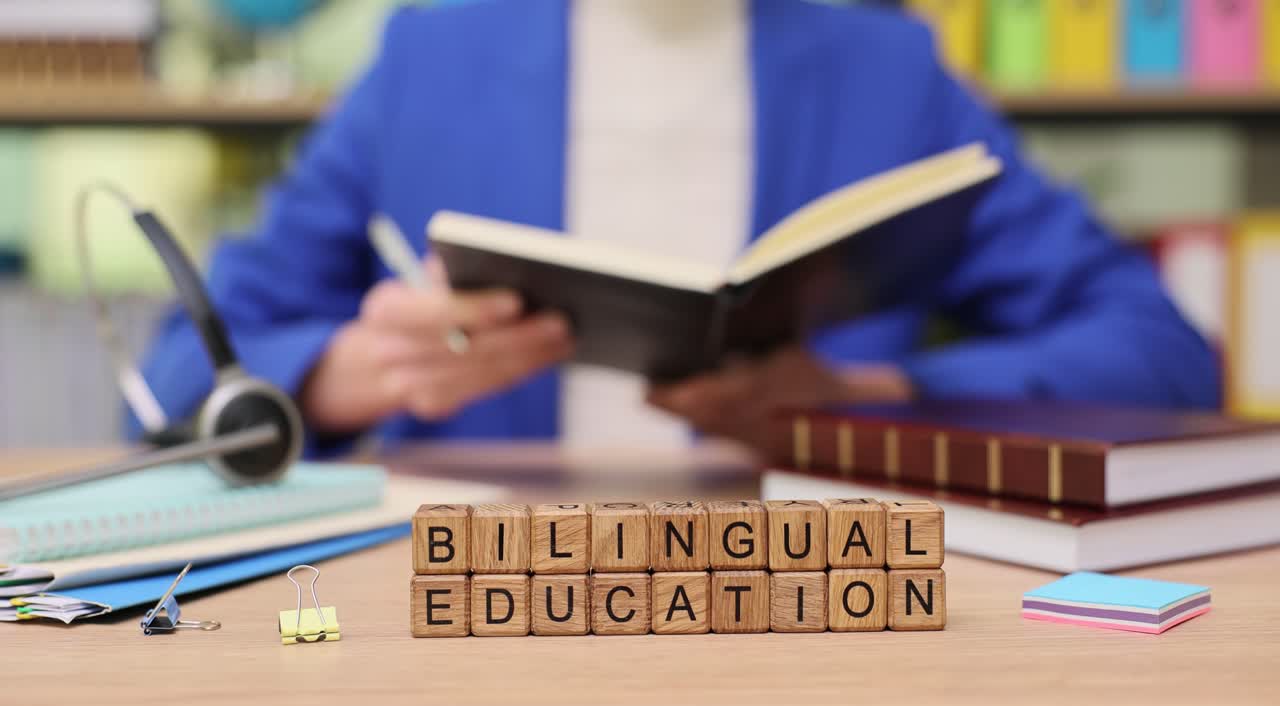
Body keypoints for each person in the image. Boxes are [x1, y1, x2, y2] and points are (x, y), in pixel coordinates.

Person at [137, 0, 1219, 455]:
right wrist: (353, 374)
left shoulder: (888, 72)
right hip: (474, 603)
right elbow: (173, 376)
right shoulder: (430, 55)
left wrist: (870, 395)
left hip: (810, 598)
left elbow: (1165, 357)